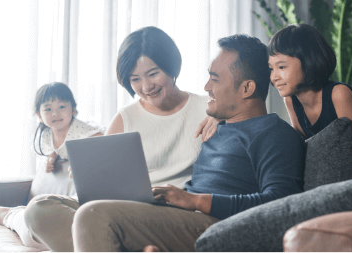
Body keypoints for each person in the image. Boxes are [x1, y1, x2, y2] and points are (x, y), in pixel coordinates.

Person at [70, 34, 306, 252]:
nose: (206, 87)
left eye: (214, 79)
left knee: (93, 216)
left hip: (216, 226)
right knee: (51, 209)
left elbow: (281, 204)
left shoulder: (274, 133)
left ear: (247, 88)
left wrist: (195, 201)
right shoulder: (220, 128)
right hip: (184, 215)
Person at [23, 27, 219, 252]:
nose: (146, 87)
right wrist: (86, 174)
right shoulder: (125, 118)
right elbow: (103, 180)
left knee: (94, 217)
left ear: (171, 65)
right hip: (123, 208)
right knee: (38, 209)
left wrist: (221, 117)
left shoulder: (208, 109)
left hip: (174, 212)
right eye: (135, 79)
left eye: (153, 73)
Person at [268, 24, 352, 169]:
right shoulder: (290, 100)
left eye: (281, 67)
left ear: (309, 61)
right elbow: (305, 148)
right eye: (271, 68)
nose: (274, 76)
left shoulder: (339, 94)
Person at [0, 82, 103, 250]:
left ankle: (8, 214)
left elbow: (100, 140)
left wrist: (83, 160)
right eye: (48, 109)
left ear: (73, 110)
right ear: (39, 115)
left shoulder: (82, 131)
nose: (55, 113)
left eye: (62, 106)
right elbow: (56, 149)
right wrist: (51, 157)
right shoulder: (46, 135)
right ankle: (7, 214)